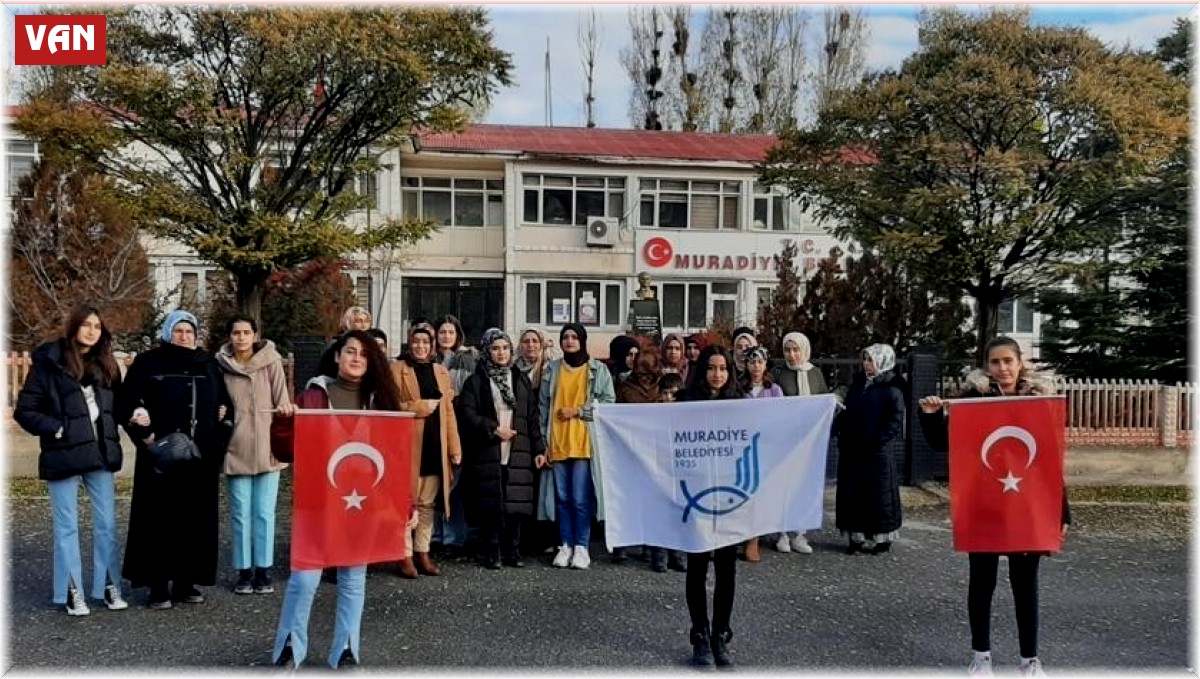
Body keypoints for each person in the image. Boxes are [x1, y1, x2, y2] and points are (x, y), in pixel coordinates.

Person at [918, 336, 1069, 678]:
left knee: (1025, 584)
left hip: (1027, 505)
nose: (1002, 369)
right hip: (984, 501)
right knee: (982, 581)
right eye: (995, 362)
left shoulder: (1039, 401)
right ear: (986, 366)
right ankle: (981, 656)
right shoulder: (974, 400)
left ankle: (1030, 660)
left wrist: (1062, 510)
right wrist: (931, 417)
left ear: (1020, 363)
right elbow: (945, 443)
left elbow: (1050, 461)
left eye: (1008, 361)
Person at [272, 330, 415, 668]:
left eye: (364, 354)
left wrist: (405, 504)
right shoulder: (312, 398)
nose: (356, 358)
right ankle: (290, 649)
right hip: (317, 502)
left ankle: (346, 651)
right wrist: (282, 423)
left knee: (353, 578)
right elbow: (283, 451)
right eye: (350, 351)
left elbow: (394, 460)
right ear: (337, 356)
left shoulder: (380, 403)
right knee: (305, 577)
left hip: (360, 505)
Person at [14, 305, 129, 615]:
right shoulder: (48, 364)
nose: (92, 331)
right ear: (74, 327)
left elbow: (118, 407)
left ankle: (108, 586)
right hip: (63, 454)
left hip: (101, 455)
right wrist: (57, 427)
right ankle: (71, 590)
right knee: (67, 527)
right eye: (86, 325)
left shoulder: (107, 366)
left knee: (106, 524)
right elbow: (25, 411)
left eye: (97, 326)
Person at [118, 310, 234, 609]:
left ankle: (186, 581)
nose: (184, 337)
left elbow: (225, 404)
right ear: (168, 332)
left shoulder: (207, 363)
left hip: (199, 459)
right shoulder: (148, 363)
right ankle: (157, 584)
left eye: (189, 332)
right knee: (159, 520)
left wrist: (218, 433)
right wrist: (143, 434)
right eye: (179, 331)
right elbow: (126, 402)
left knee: (194, 521)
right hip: (161, 459)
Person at [215, 315, 295, 595]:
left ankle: (263, 568)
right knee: (240, 513)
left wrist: (285, 409)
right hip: (235, 447)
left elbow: (281, 398)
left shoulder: (271, 362)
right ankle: (243, 570)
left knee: (264, 512)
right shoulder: (220, 366)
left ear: (255, 335)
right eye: (236, 332)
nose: (241, 337)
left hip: (267, 447)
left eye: (246, 332)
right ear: (229, 336)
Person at [456, 329, 547, 569]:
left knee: (516, 500)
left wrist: (539, 449)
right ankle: (493, 550)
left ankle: (513, 550)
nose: (501, 353)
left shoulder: (520, 379)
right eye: (495, 348)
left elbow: (532, 418)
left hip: (519, 447)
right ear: (487, 351)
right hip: (489, 448)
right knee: (491, 500)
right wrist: (493, 429)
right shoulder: (476, 380)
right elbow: (466, 413)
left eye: (505, 348)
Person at [676, 345, 743, 667]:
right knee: (698, 566)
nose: (717, 374)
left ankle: (721, 635)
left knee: (727, 569)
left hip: (730, 497)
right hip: (696, 496)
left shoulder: (741, 405)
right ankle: (700, 635)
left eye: (723, 369)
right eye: (711, 368)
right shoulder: (685, 403)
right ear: (702, 371)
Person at [539, 323, 616, 570]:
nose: (569, 341)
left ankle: (582, 546)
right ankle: (566, 544)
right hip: (558, 442)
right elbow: (542, 409)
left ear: (583, 340)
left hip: (584, 443)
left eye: (574, 337)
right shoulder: (552, 369)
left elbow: (607, 404)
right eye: (565, 337)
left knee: (581, 499)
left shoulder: (597, 370)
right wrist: (543, 444)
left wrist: (578, 411)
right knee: (562, 498)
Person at [392, 325, 463, 578]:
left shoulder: (440, 371)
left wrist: (455, 448)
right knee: (405, 503)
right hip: (408, 447)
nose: (421, 346)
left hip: (435, 446)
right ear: (409, 343)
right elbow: (388, 406)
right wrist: (418, 407)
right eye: (416, 341)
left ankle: (423, 551)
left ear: (432, 345)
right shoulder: (397, 369)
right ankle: (404, 553)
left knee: (427, 504)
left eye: (425, 341)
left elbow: (448, 411)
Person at [617, 348, 687, 573]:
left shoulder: (665, 387)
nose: (646, 376)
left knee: (667, 502)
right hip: (634, 450)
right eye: (641, 370)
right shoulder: (626, 388)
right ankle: (628, 544)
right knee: (635, 499)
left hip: (665, 453)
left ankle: (666, 550)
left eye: (650, 371)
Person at [835, 344, 906, 555]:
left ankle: (881, 539)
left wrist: (877, 442)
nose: (866, 364)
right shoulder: (857, 386)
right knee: (852, 494)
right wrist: (840, 432)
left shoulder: (892, 389)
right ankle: (855, 538)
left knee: (879, 495)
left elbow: (894, 421)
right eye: (864, 359)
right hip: (853, 450)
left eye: (871, 359)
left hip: (876, 452)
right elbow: (847, 412)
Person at [769, 331, 828, 555]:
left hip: (809, 441)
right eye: (787, 349)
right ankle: (782, 532)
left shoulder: (815, 374)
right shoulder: (777, 373)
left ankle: (800, 534)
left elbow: (823, 399)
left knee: (805, 486)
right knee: (784, 486)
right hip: (785, 441)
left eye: (796, 349)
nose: (792, 355)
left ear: (804, 349)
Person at [738, 346, 784, 563]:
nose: (755, 366)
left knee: (758, 493)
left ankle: (753, 538)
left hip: (764, 447)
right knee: (742, 490)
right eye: (751, 362)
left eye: (759, 362)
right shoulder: (739, 388)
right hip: (741, 446)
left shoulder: (774, 390)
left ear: (765, 365)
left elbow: (779, 419)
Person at [435, 314, 478, 396]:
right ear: (436, 334)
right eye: (442, 332)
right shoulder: (429, 358)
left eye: (451, 332)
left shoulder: (466, 358)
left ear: (457, 335)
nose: (447, 336)